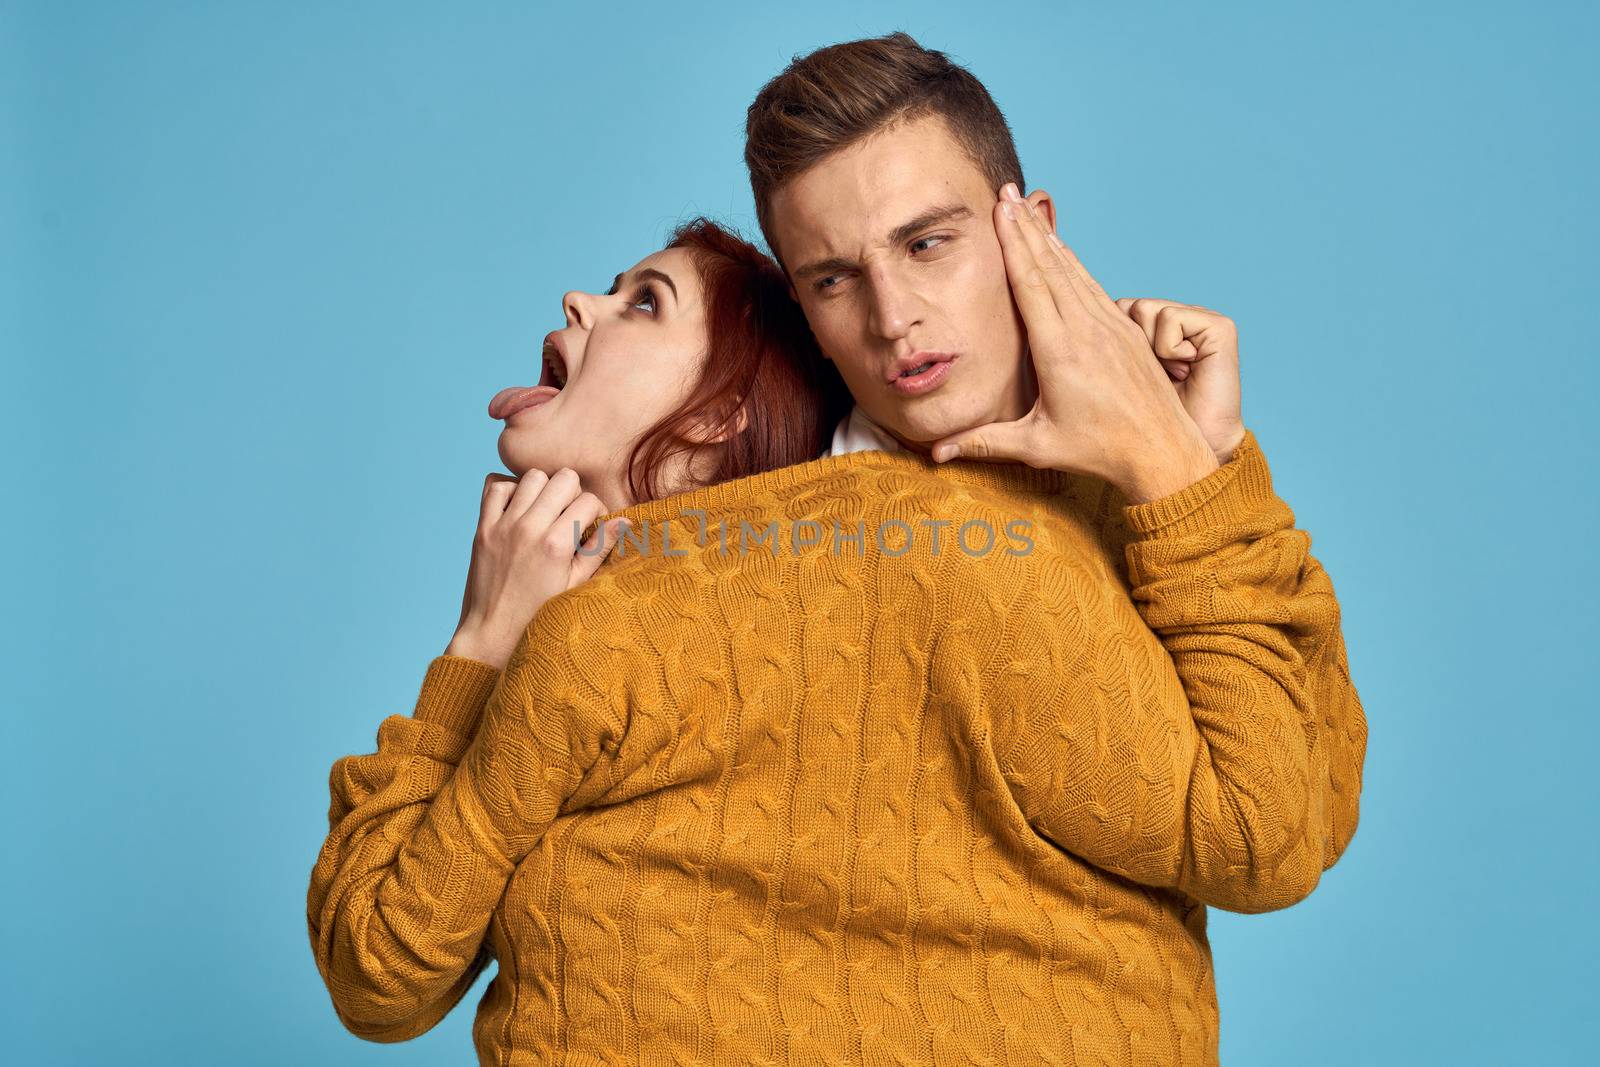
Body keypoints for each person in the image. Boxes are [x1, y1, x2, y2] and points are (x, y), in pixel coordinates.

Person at [307, 35, 1367, 1067]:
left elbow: (1294, 812)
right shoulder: (662, 605)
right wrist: (1194, 469)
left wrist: (1188, 462)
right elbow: (1277, 831)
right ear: (805, 318)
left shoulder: (1091, 515)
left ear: (1029, 230)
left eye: (926, 242)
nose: (894, 317)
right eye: (829, 279)